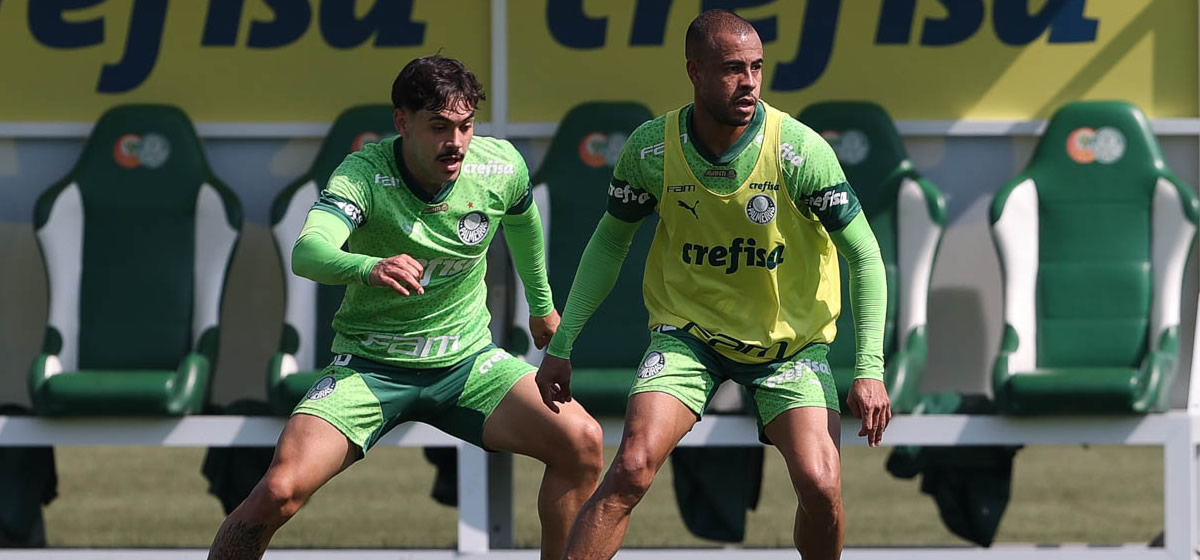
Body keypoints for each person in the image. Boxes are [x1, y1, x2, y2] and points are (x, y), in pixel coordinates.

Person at [207, 55, 603, 560]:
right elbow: (307, 252)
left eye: (465, 126)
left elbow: (522, 221)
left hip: (466, 364)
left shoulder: (499, 166)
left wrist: (541, 305)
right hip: (371, 368)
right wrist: (368, 267)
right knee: (279, 491)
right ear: (402, 122)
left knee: (582, 442)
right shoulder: (365, 174)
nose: (455, 143)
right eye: (439, 127)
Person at [535, 9, 891, 559]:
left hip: (788, 347)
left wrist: (869, 369)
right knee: (630, 468)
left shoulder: (799, 150)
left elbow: (865, 256)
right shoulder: (651, 150)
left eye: (756, 67)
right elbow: (610, 244)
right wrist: (563, 344)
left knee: (821, 487)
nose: (748, 82)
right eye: (732, 69)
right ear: (694, 72)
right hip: (688, 337)